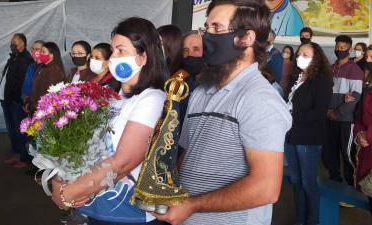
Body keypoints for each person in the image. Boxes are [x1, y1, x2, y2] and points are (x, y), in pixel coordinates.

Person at [154, 1, 292, 225]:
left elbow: (265, 188)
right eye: (206, 28)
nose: (206, 37)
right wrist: (170, 191)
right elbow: (190, 154)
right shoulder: (202, 91)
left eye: (217, 28)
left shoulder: (260, 100)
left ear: (246, 38)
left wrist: (193, 205)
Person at [50, 17, 168, 225]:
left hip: (128, 214)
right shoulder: (111, 96)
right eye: (113, 50)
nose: (113, 57)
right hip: (96, 206)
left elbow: (122, 163)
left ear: (143, 57)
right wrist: (59, 180)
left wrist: (67, 191)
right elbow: (80, 147)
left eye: (121, 50)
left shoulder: (152, 98)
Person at [285, 42, 333, 225]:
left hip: (308, 138)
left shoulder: (322, 81)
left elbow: (318, 112)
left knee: (308, 184)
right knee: (296, 181)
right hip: (291, 136)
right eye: (299, 54)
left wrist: (291, 117)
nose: (299, 57)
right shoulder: (296, 77)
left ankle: (311, 221)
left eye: (305, 55)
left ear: (316, 58)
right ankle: (300, 220)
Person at [322, 35, 364, 188]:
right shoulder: (331, 68)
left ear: (350, 49)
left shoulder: (355, 70)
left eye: (343, 48)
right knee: (329, 152)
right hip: (328, 117)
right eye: (337, 47)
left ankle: (350, 186)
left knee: (347, 155)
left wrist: (337, 112)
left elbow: (356, 96)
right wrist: (327, 111)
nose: (339, 50)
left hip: (345, 119)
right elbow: (325, 91)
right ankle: (335, 181)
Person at [0, 33, 34, 168]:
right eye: (12, 42)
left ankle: (25, 158)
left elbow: (24, 83)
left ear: (23, 44)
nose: (12, 45)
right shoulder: (13, 58)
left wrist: (20, 100)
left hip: (16, 101)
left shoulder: (26, 60)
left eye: (15, 43)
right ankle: (17, 153)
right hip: (7, 100)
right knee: (12, 129)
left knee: (21, 129)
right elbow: (6, 79)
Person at [28, 42, 66, 112]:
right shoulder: (42, 67)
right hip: (36, 108)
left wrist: (37, 107)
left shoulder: (54, 71)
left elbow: (50, 93)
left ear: (51, 55)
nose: (40, 54)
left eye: (43, 52)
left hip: (44, 110)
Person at [353, 88, 372, 213]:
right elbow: (359, 120)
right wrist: (359, 135)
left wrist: (369, 135)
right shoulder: (369, 94)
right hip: (368, 167)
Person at [21, 40, 45, 113]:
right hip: (29, 106)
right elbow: (26, 86)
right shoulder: (31, 67)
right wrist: (25, 102)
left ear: (44, 51)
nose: (34, 51)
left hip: (42, 107)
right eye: (32, 49)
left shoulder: (48, 68)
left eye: (37, 49)